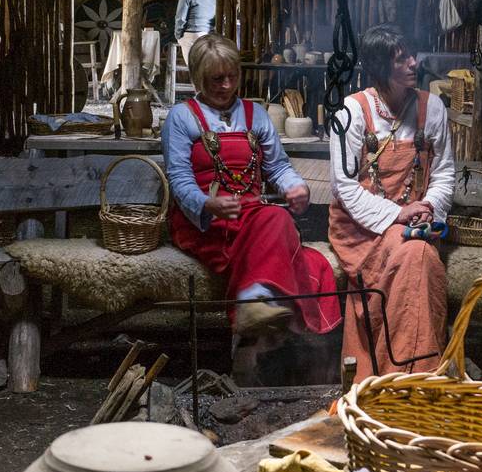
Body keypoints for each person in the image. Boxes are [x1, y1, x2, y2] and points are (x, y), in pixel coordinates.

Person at [162, 34, 341, 358]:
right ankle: (258, 306)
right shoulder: (182, 117)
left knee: (276, 216)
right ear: (201, 78)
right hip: (205, 222)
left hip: (250, 213)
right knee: (274, 224)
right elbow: (179, 179)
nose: (227, 85)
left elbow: (278, 166)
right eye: (217, 79)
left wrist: (294, 187)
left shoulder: (255, 114)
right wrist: (207, 204)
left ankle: (257, 306)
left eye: (233, 76)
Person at [328, 24, 455, 381]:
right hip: (362, 228)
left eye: (413, 55)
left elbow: (444, 171)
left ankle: (405, 375)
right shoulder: (351, 114)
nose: (414, 64)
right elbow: (345, 188)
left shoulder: (433, 109)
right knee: (415, 253)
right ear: (381, 66)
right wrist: (397, 214)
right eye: (403, 59)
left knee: (418, 252)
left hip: (418, 221)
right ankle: (416, 375)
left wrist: (428, 209)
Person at [174, 0, 216, 70]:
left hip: (192, 34)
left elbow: (180, 18)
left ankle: (197, 86)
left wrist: (178, 35)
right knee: (205, 69)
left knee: (193, 69)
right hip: (208, 34)